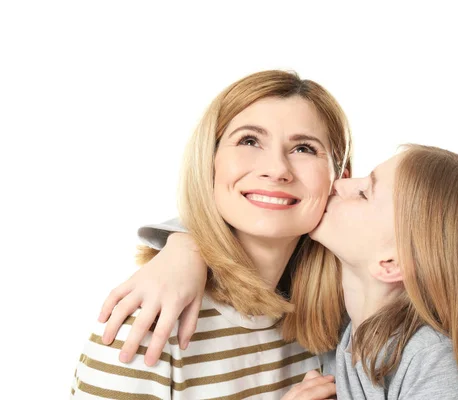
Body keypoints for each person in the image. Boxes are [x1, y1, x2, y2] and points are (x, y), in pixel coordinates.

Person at [101, 145, 458, 399]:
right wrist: (185, 248)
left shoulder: (430, 359)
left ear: (392, 264)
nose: (341, 183)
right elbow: (251, 227)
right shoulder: (341, 313)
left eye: (364, 193)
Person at [70, 69, 352, 399]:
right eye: (250, 141)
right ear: (210, 161)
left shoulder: (339, 318)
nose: (276, 170)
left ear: (340, 180)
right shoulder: (150, 321)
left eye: (304, 148)